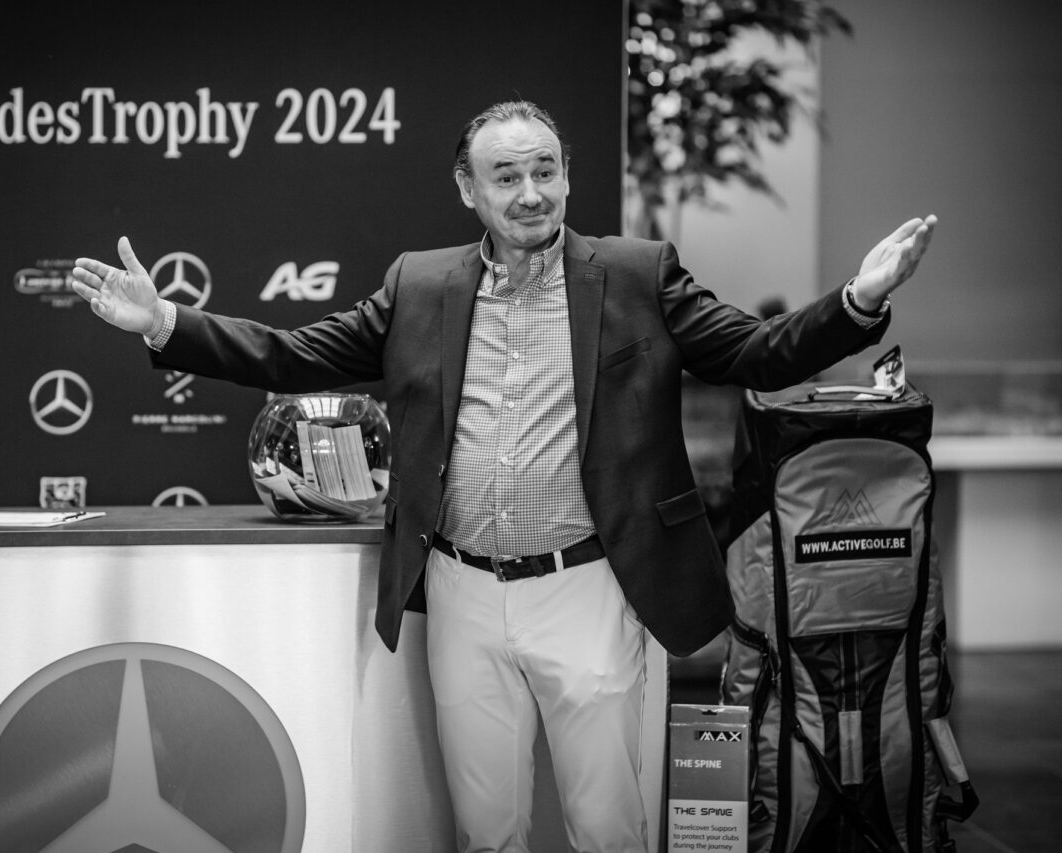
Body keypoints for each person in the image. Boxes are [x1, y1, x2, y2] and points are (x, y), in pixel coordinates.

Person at [72, 100, 937, 853]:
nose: (530, 193)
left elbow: (757, 351)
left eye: (545, 171)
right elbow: (293, 355)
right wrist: (165, 321)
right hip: (462, 592)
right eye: (507, 176)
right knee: (486, 828)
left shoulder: (636, 274)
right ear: (469, 189)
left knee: (608, 826)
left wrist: (858, 300)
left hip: (589, 584)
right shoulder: (419, 284)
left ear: (567, 176)